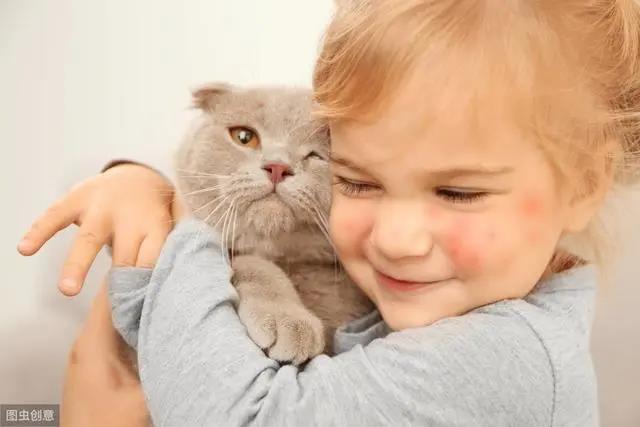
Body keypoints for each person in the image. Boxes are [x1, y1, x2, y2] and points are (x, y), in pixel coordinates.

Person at [18, 0, 640, 425]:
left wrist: (179, 220)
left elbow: (237, 416)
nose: (395, 239)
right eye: (358, 182)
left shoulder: (510, 360)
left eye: (456, 193)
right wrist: (141, 185)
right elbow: (153, 321)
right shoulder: (438, 297)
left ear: (585, 183)